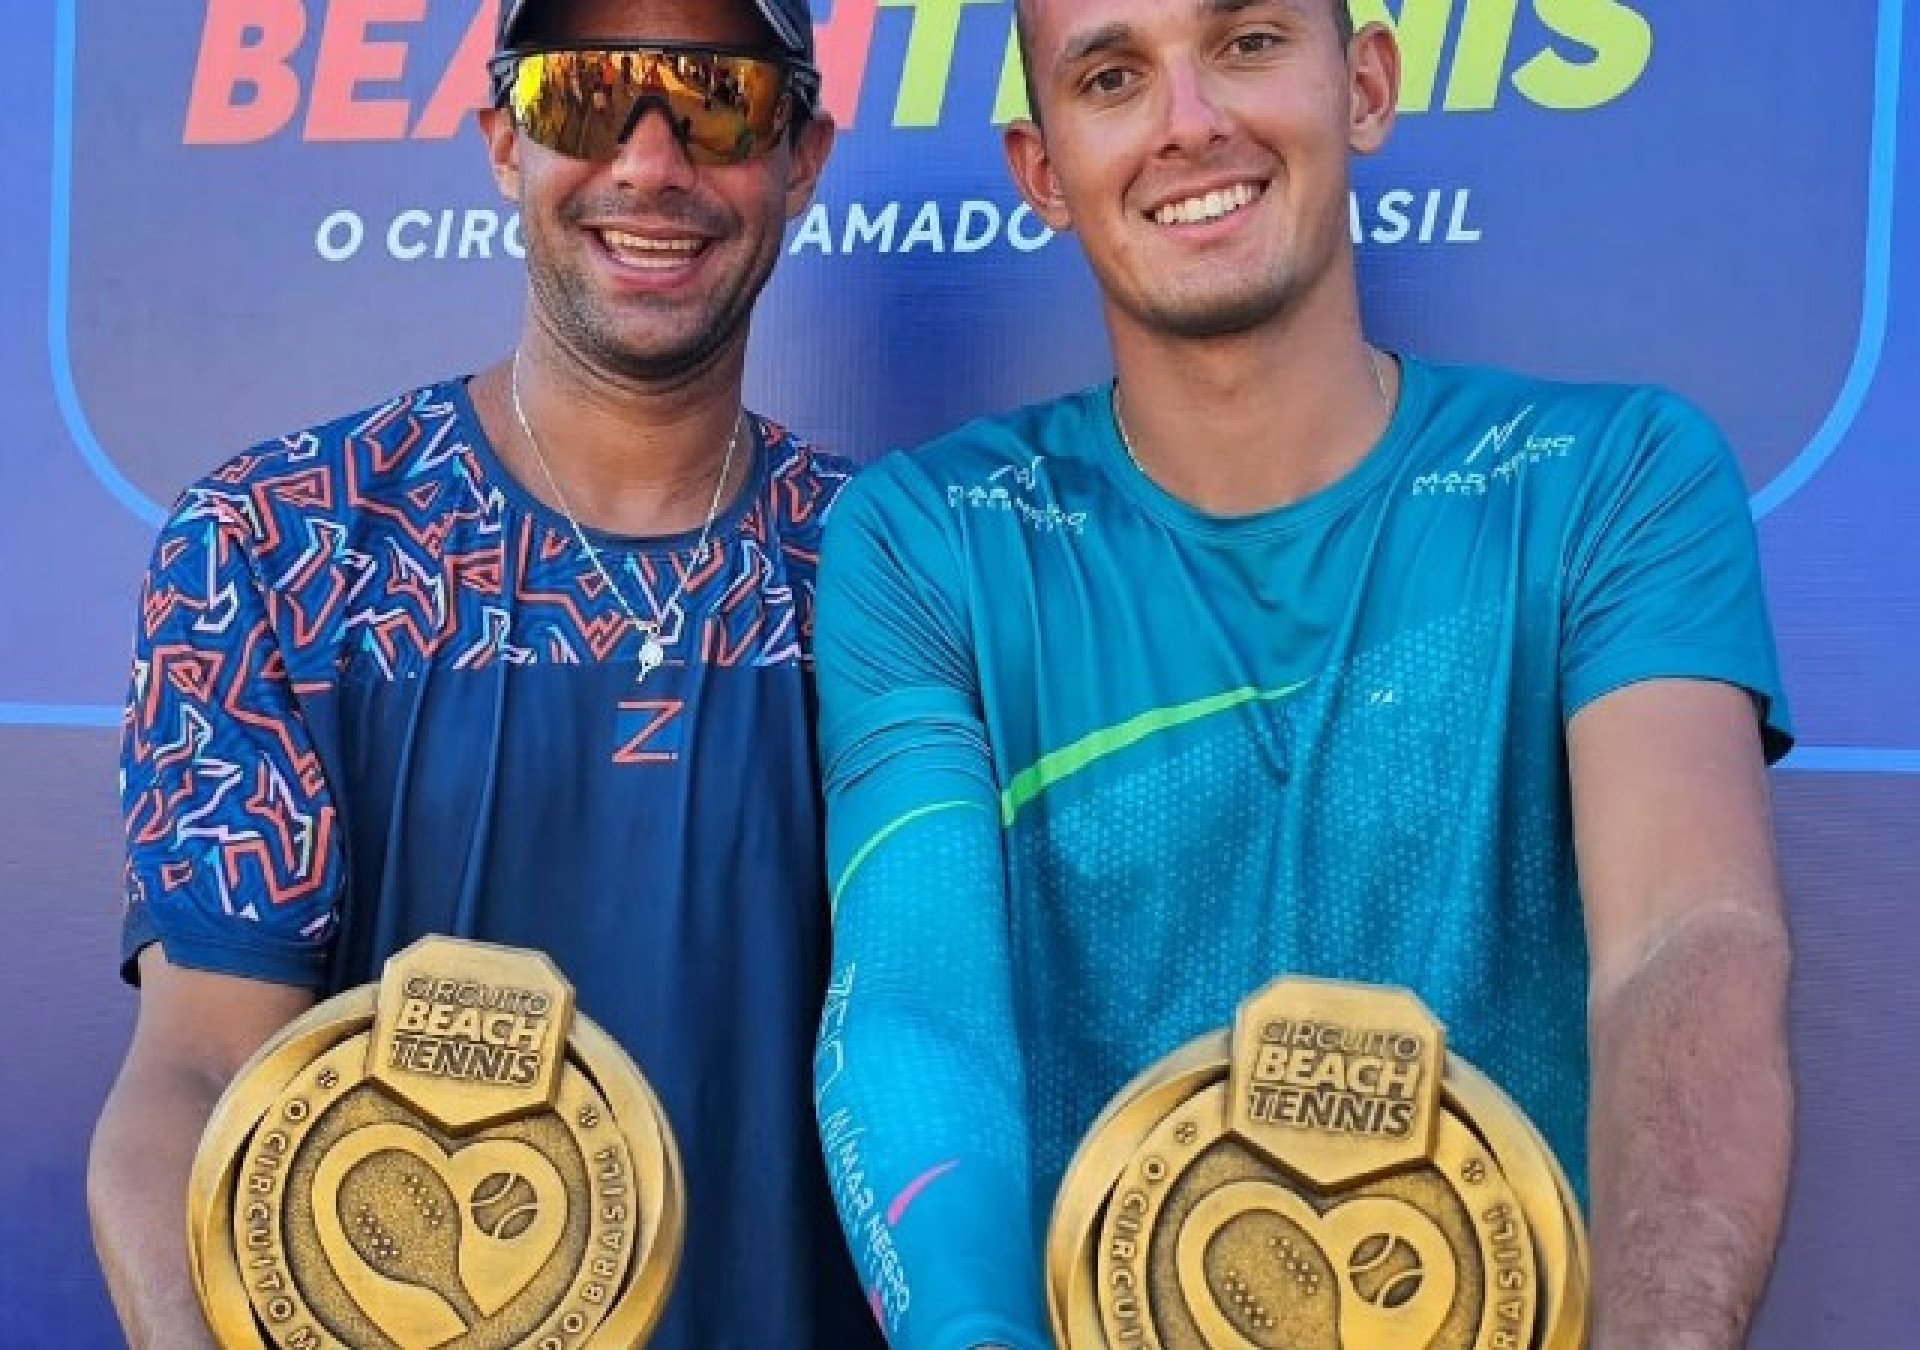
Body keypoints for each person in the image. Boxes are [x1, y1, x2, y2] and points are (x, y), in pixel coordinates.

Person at [811, 1, 1794, 1347]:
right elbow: (920, 1013)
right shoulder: (928, 535)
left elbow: (1687, 943)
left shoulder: (1613, 479)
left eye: (1250, 42)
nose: (1190, 122)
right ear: (1042, 170)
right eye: (1113, 76)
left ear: (1368, 86)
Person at [88, 1, 884, 1346]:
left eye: (717, 99)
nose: (648, 161)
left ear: (801, 155)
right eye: (586, 96)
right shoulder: (279, 542)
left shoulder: (892, 574)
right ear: (502, 141)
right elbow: (203, 1064)